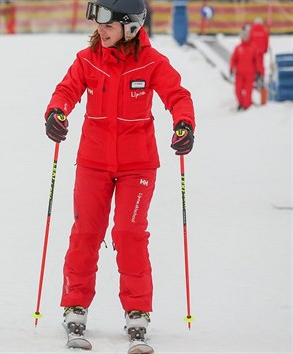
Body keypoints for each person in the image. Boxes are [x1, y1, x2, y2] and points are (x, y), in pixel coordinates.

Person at [43, 0, 195, 349]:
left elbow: (177, 95)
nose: (101, 29)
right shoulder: (87, 59)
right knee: (86, 231)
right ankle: (75, 306)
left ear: (131, 26)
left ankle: (137, 312)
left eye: (108, 24)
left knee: (129, 232)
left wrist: (184, 123)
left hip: (137, 165)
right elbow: (66, 90)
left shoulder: (152, 62)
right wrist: (57, 111)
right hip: (94, 162)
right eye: (97, 22)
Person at [230, 28, 263, 111]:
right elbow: (233, 59)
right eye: (243, 36)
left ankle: (246, 106)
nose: (245, 37)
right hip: (239, 74)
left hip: (250, 74)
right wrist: (231, 68)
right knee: (237, 90)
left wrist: (259, 71)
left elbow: (257, 61)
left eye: (246, 36)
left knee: (248, 91)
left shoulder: (253, 48)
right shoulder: (238, 48)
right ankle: (241, 103)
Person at [248, 17, 269, 83]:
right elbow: (266, 41)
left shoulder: (252, 30)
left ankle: (255, 76)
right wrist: (265, 49)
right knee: (261, 63)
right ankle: (261, 75)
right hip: (261, 50)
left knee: (253, 63)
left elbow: (249, 40)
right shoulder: (264, 30)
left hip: (253, 50)